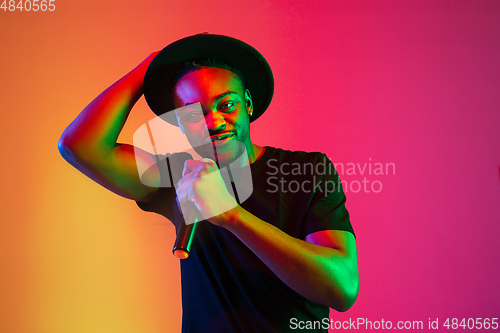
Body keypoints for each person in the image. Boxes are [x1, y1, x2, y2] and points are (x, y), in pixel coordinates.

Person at [59, 33, 359, 332]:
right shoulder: (180, 175)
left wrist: (232, 215)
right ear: (179, 122)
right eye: (193, 113)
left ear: (248, 103)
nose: (214, 122)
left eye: (226, 104)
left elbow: (341, 288)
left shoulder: (306, 170)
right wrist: (149, 67)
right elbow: (80, 147)